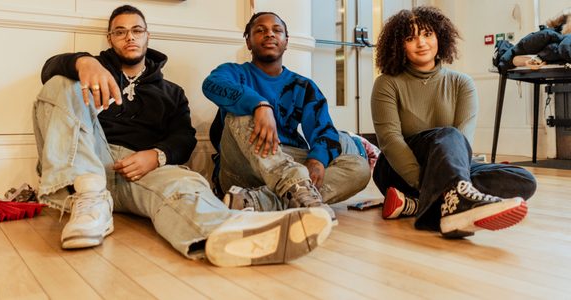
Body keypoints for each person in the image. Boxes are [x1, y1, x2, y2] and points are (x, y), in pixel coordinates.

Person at [33, 5, 333, 267]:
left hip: (141, 171)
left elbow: (184, 137)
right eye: (120, 32)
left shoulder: (171, 92)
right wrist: (83, 62)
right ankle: (89, 201)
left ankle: (221, 236)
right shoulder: (90, 72)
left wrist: (157, 155)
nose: (130, 37)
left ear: (148, 37)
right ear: (109, 38)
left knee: (186, 183)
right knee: (60, 84)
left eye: (137, 30)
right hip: (90, 161)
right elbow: (50, 70)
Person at [371, 6, 537, 238]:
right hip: (397, 171)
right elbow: (390, 140)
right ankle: (452, 203)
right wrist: (434, 183)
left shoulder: (462, 83)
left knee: (524, 180)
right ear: (399, 45)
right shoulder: (386, 83)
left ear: (440, 36)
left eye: (427, 34)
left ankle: (419, 205)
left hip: (449, 166)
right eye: (411, 38)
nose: (422, 43)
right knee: (448, 135)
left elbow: (463, 142)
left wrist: (442, 182)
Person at [202, 12, 373, 223]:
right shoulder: (233, 72)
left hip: (287, 158)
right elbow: (210, 85)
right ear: (248, 41)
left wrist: (317, 160)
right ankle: (297, 192)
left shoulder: (303, 86)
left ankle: (254, 203)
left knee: (358, 167)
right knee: (239, 114)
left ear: (286, 42)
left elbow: (324, 131)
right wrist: (259, 105)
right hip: (241, 165)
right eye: (260, 30)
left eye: (277, 30)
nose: (269, 34)